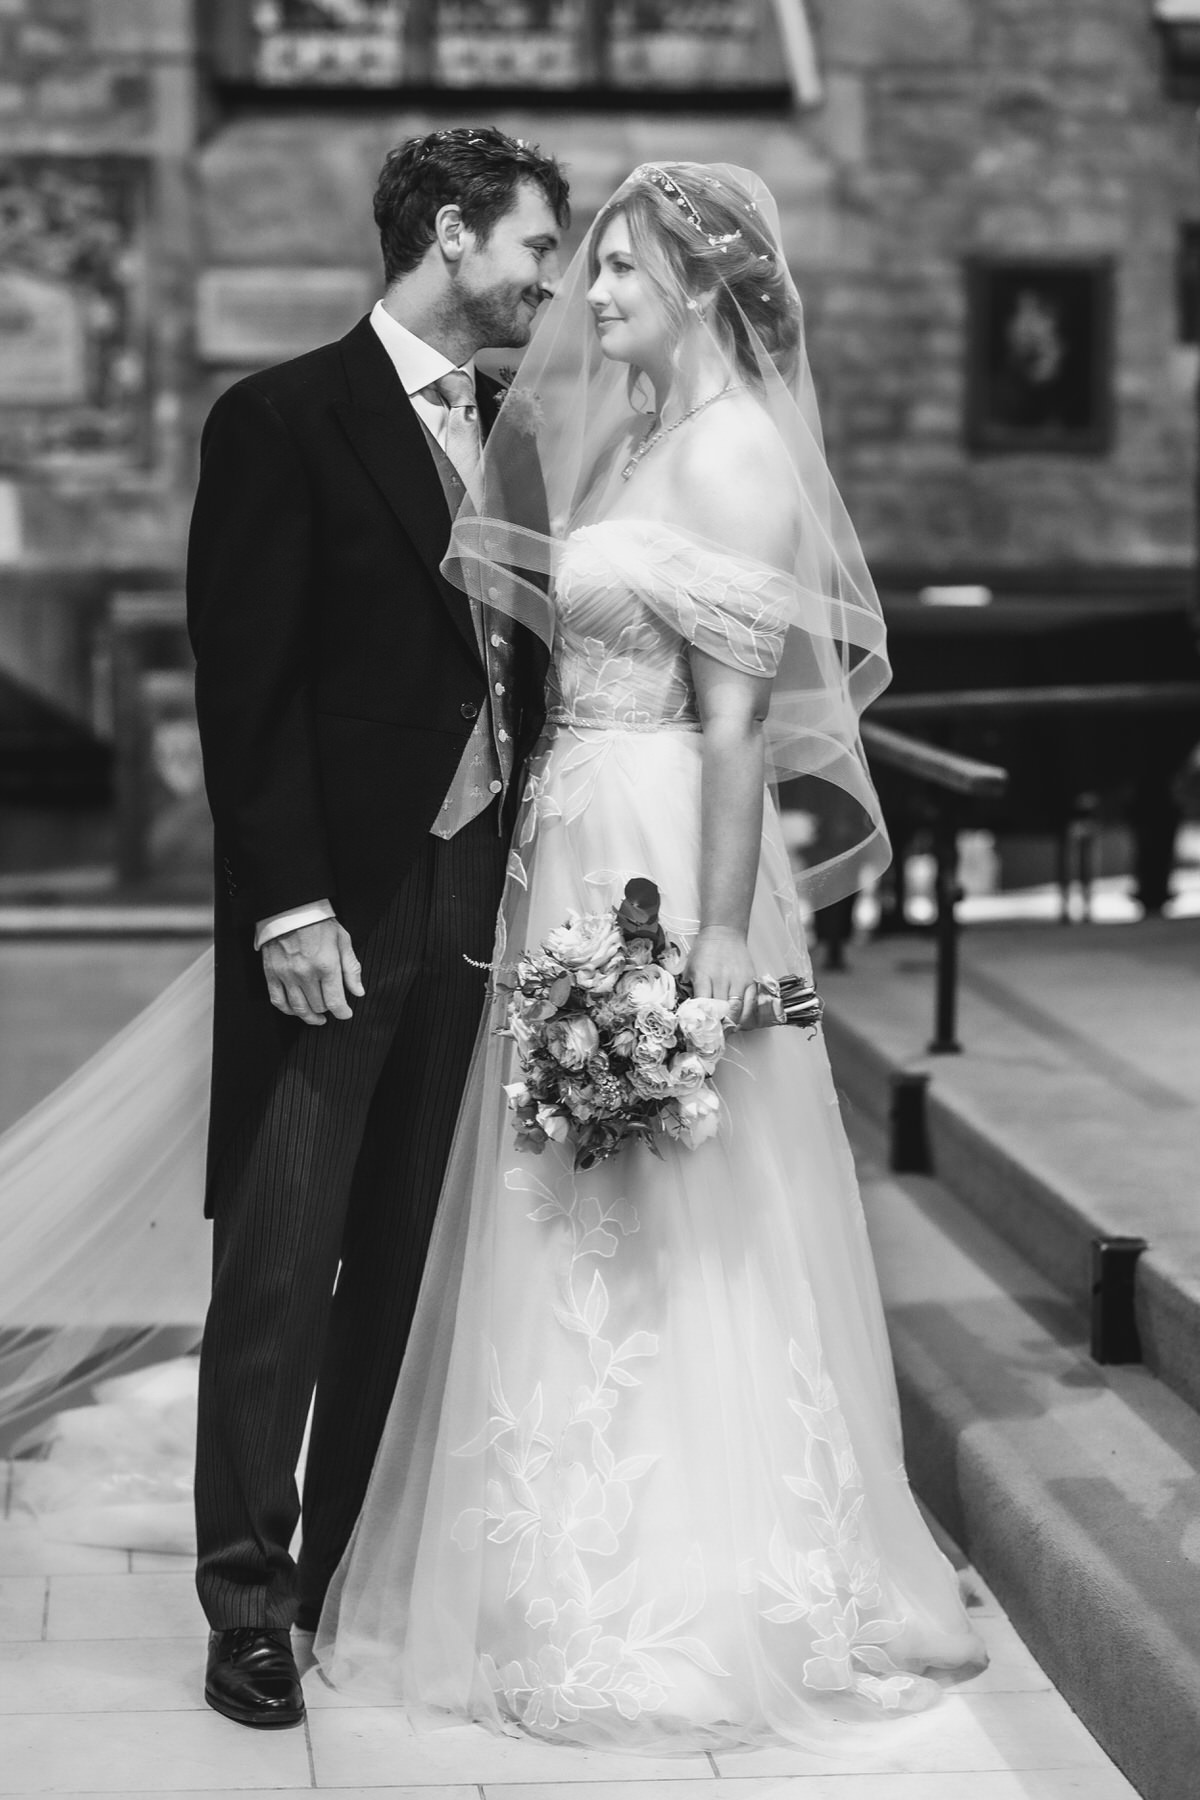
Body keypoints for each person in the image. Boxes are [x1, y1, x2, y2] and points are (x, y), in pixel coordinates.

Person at [313, 162, 986, 1751]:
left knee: (672, 1184)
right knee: (564, 1188)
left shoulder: (740, 448)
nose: (589, 293)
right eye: (588, 263)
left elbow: (738, 729)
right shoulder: (634, 437)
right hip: (569, 833)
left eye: (619, 268)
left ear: (697, 284)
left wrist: (714, 939)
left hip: (657, 848)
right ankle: (547, 1551)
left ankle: (692, 1568)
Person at [185, 127, 568, 1728]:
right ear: (453, 233)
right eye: (535, 244)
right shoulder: (282, 419)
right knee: (284, 1259)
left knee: (404, 1256)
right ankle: (246, 1601)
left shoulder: (516, 433)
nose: (548, 278)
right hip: (336, 901)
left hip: (479, 893)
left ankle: (338, 1567)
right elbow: (246, 690)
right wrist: (287, 902)